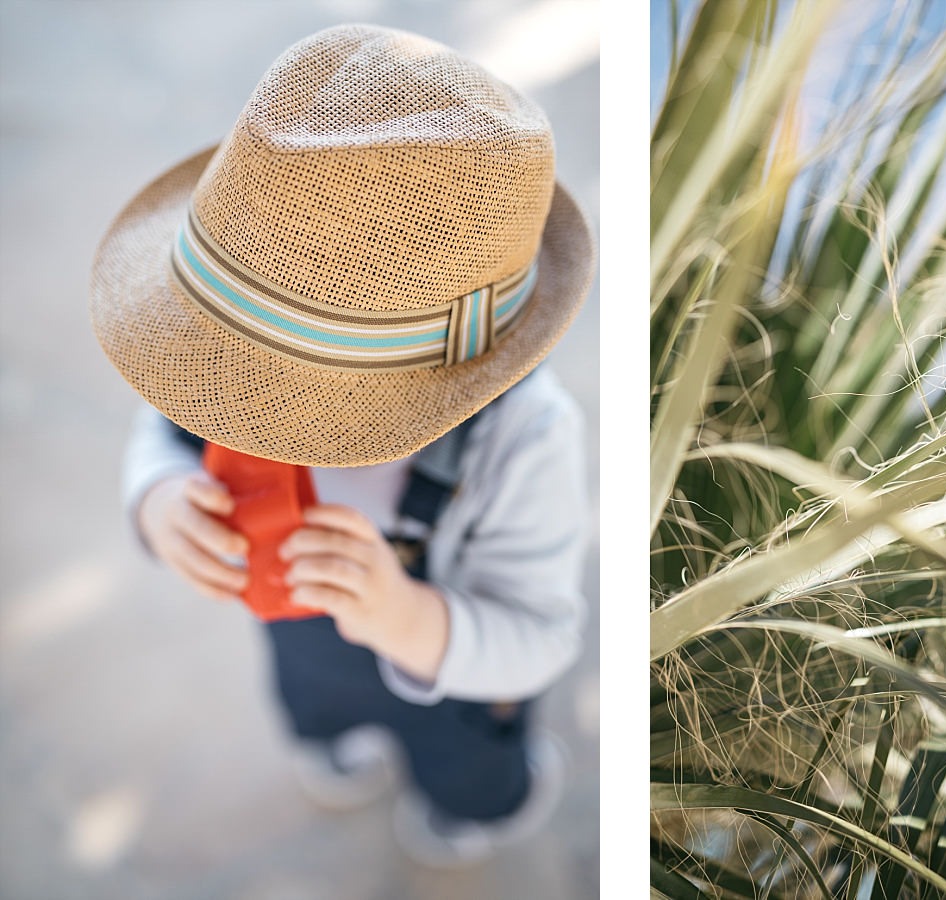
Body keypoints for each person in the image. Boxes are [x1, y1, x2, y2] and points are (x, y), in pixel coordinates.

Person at [88, 23, 594, 868]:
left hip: (453, 665)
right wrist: (158, 495)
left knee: (468, 778)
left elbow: (541, 634)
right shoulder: (224, 349)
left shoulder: (527, 441)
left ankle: (473, 805)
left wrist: (405, 616)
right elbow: (163, 429)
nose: (246, 398)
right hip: (300, 638)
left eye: (298, 385)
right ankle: (334, 739)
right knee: (312, 707)